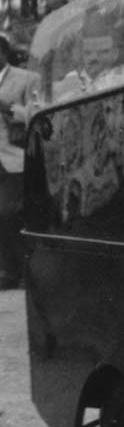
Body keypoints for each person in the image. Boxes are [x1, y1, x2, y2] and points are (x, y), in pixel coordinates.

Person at [0, 33, 32, 288]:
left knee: (8, 212)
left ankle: (18, 271)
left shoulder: (27, 79)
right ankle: (7, 272)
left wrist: (8, 108)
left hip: (14, 159)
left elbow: (37, 113)